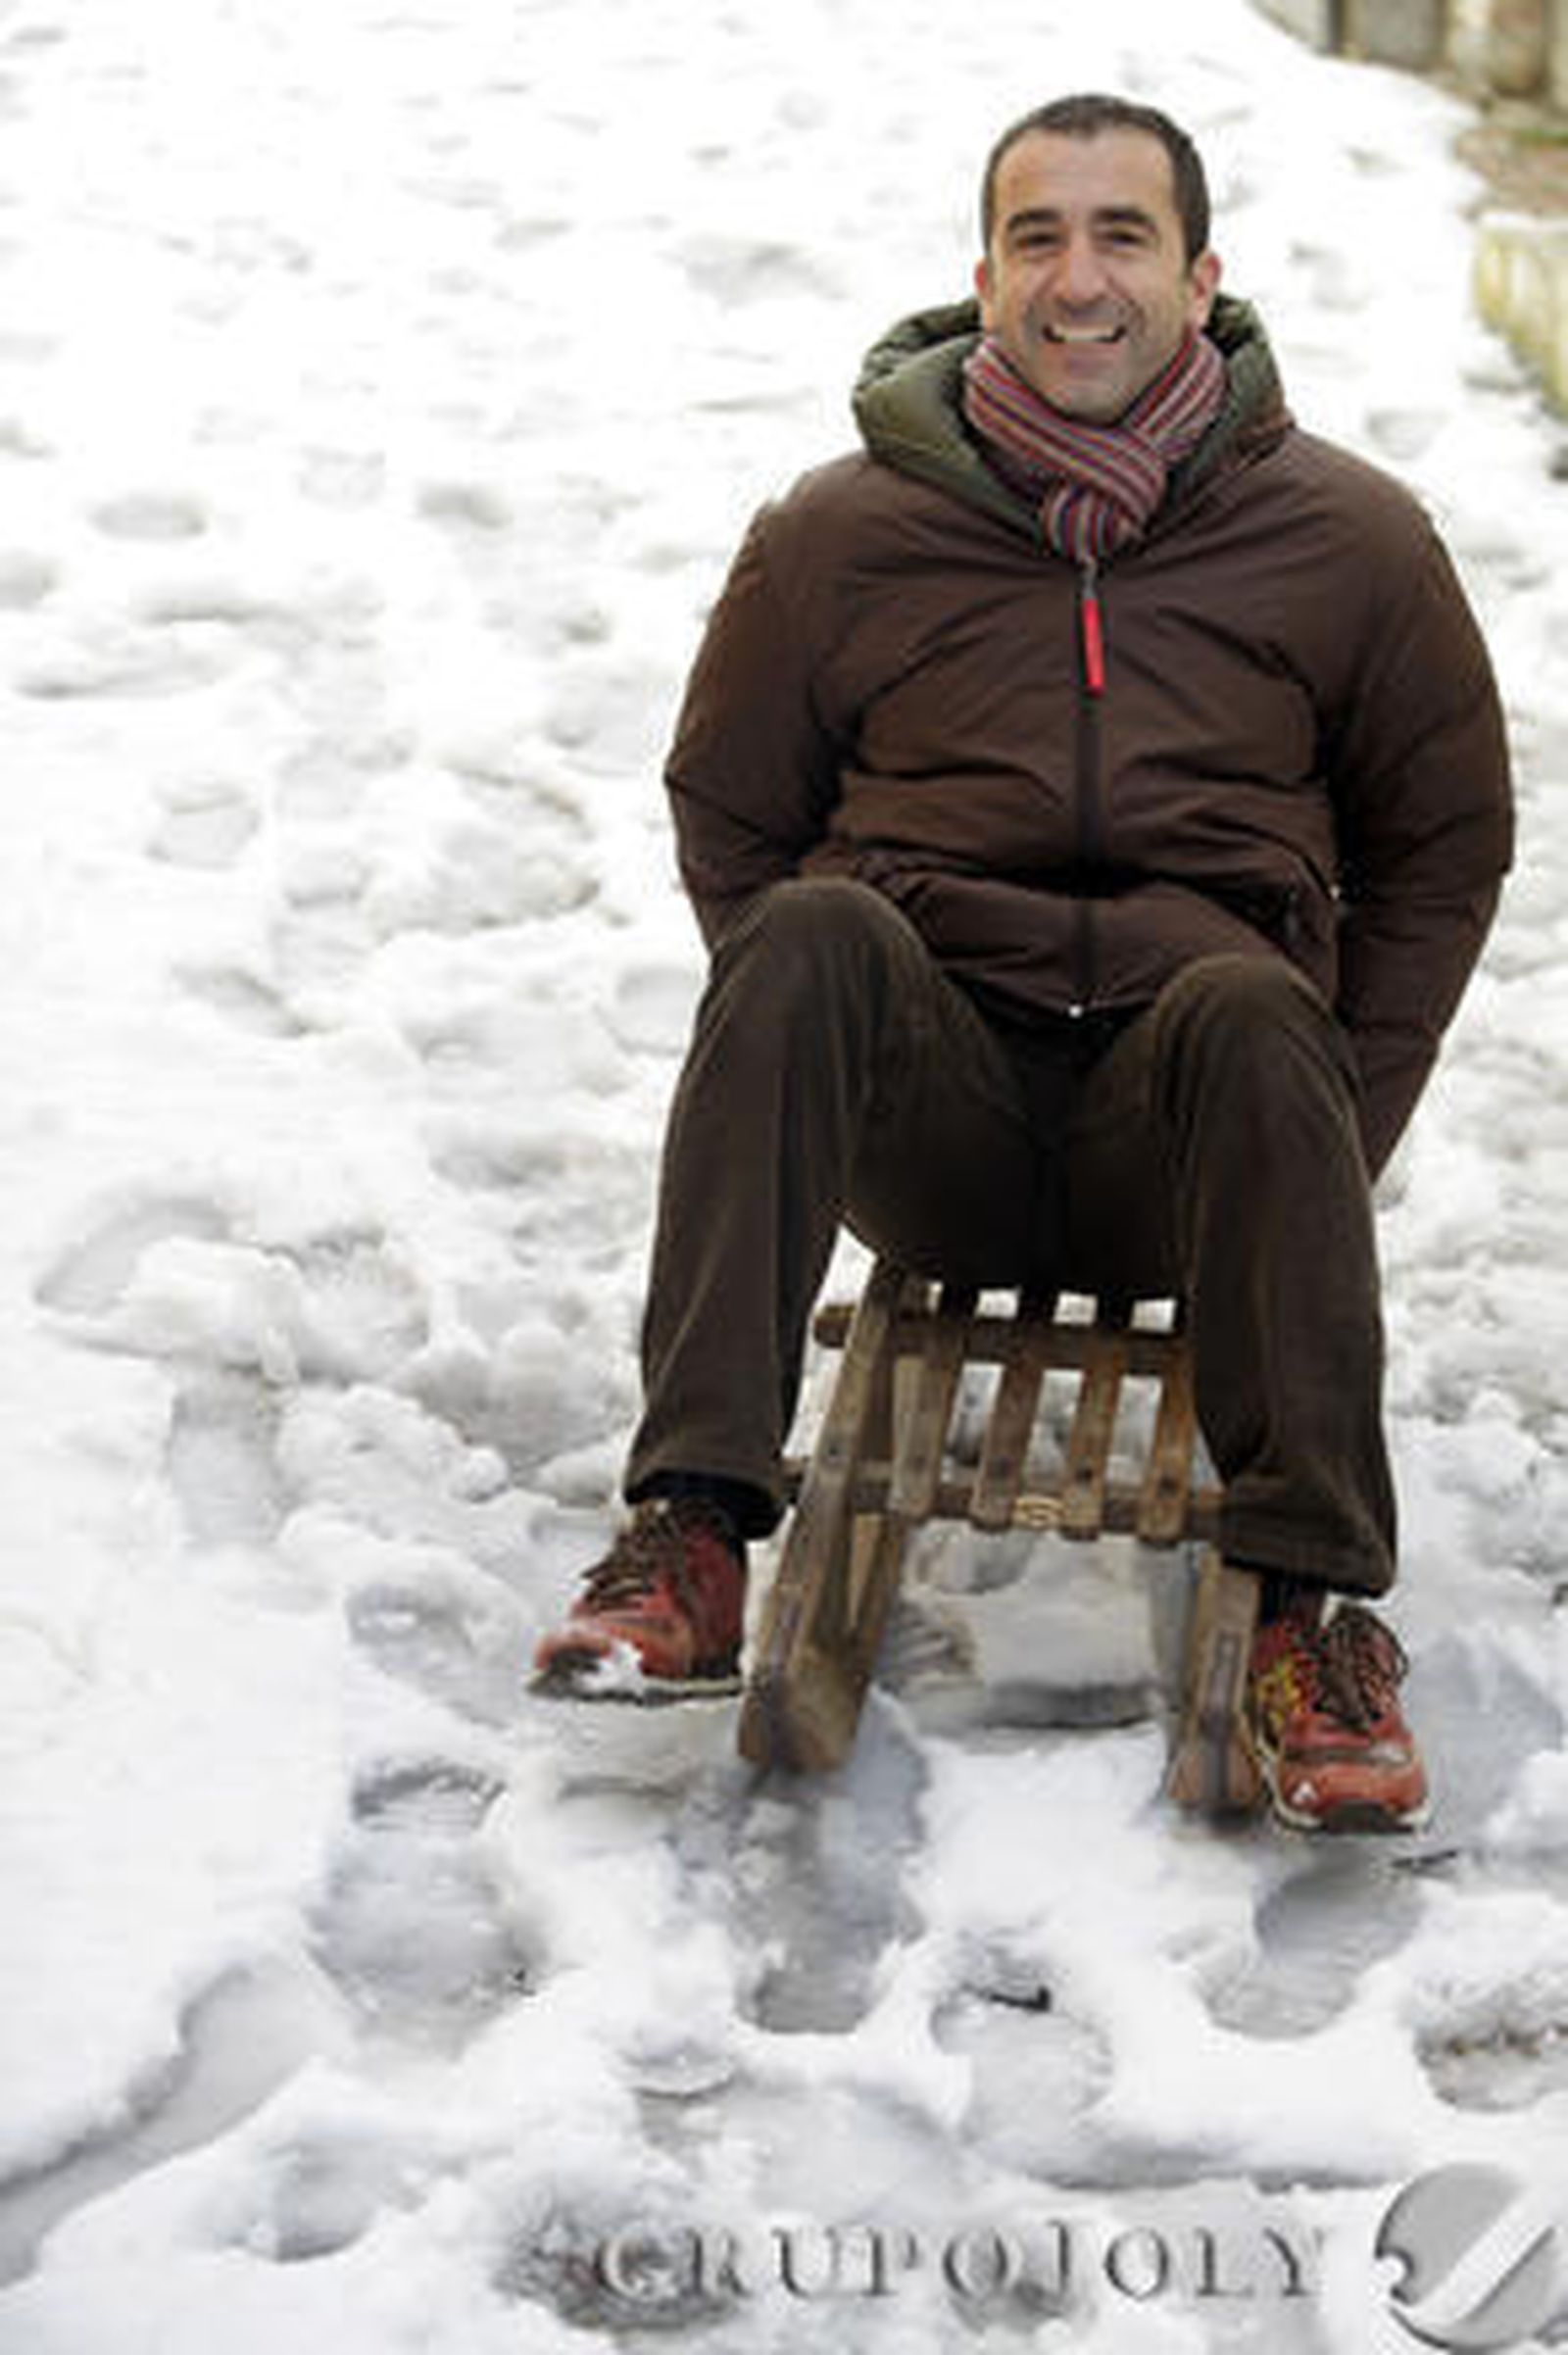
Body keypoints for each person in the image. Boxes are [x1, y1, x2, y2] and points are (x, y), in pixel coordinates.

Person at [533, 94, 1512, 1833]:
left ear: (1202, 276)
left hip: (1193, 1126)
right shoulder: (837, 537)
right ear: (983, 278)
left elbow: (1442, 845)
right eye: (1039, 238)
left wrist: (1320, 1130)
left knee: (1251, 1001)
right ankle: (691, 1533)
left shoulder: (1350, 542)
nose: (1081, 278)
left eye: (1122, 235)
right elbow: (729, 812)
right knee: (812, 928)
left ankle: (1306, 1618)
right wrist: (810, 1055)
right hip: (941, 1126)